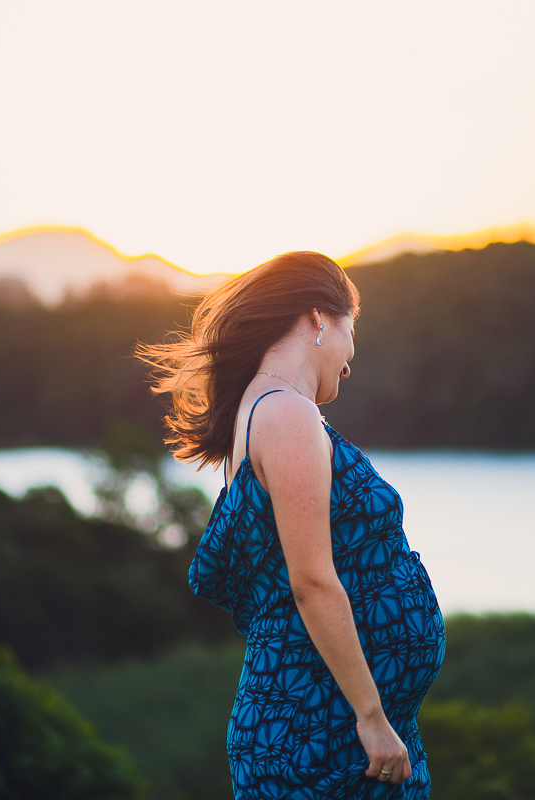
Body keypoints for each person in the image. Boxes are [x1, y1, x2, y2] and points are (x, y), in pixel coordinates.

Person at [138, 251, 445, 799]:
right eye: (353, 330)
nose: (351, 360)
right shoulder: (286, 415)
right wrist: (372, 717)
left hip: (322, 720)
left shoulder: (261, 414)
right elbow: (310, 582)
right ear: (318, 319)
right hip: (321, 730)